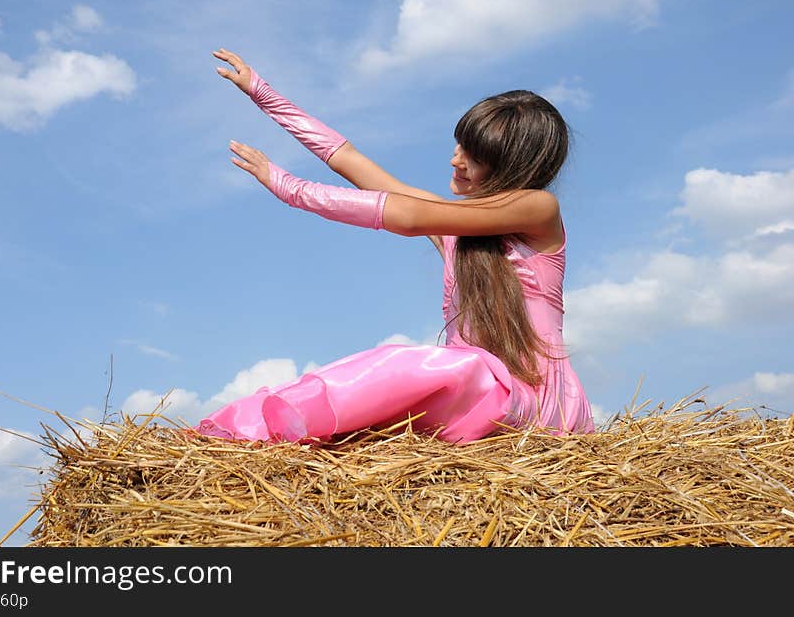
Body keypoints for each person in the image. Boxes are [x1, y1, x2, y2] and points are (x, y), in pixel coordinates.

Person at [196, 47, 594, 444]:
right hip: (473, 407)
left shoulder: (538, 209)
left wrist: (292, 189)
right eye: (460, 145)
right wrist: (262, 94)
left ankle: (270, 428)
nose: (457, 161)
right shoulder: (451, 225)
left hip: (540, 409)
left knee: (440, 365)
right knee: (419, 372)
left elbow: (408, 216)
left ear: (513, 166)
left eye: (476, 157)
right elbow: (347, 158)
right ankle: (255, 429)